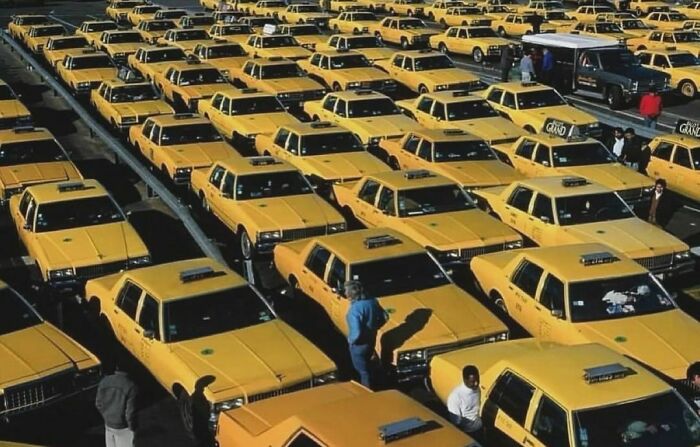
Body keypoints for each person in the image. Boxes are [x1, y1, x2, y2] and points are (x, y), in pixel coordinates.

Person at [345, 280, 387, 389]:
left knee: (363, 371)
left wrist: (351, 340)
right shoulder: (373, 302)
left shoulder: (354, 310)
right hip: (371, 340)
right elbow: (385, 317)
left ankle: (367, 391)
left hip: (359, 345)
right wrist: (375, 327)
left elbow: (356, 332)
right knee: (368, 363)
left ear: (350, 294)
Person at [95, 364, 138, 447]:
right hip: (123, 427)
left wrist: (106, 416)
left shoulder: (104, 381)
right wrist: (132, 428)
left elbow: (98, 403)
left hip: (108, 424)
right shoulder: (131, 386)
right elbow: (130, 413)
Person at [447, 365, 483, 434]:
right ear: (464, 380)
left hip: (479, 429)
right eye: (472, 381)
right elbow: (456, 422)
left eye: (477, 380)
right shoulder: (456, 397)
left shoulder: (477, 389)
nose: (476, 384)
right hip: (468, 433)